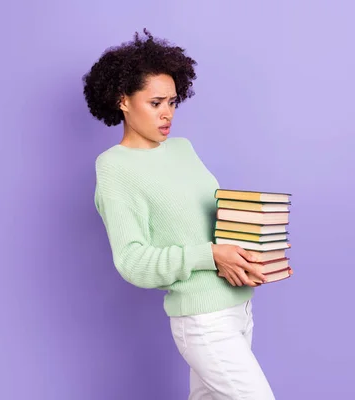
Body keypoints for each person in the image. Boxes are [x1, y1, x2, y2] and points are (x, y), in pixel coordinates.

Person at [83, 29, 281, 399]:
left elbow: (212, 222)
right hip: (203, 320)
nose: (167, 114)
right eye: (156, 102)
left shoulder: (182, 149)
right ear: (123, 100)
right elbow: (131, 260)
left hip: (239, 306)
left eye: (173, 102)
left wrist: (254, 244)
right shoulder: (114, 167)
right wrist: (210, 254)